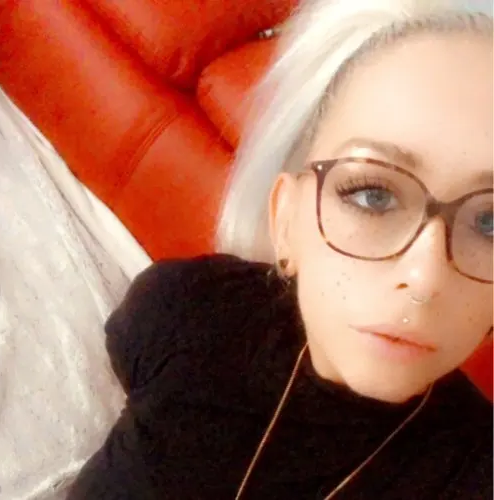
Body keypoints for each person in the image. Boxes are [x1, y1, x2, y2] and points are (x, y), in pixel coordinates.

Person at [67, 0, 493, 498]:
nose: (425, 279)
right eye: (373, 195)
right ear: (286, 218)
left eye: (489, 223)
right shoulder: (184, 311)